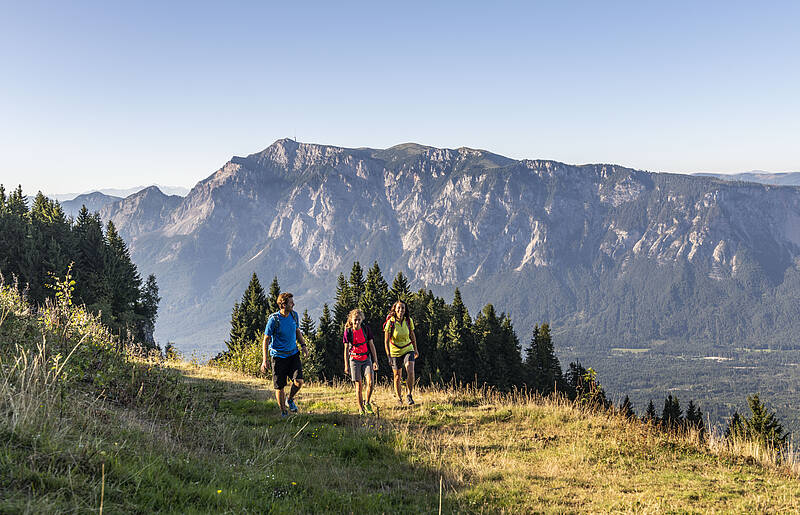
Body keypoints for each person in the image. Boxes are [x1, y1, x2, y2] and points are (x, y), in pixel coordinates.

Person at [260, 292, 308, 417]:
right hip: (278, 357)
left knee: (299, 381)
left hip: (293, 354)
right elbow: (266, 339)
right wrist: (265, 360)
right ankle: (283, 411)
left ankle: (290, 399)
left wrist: (303, 345)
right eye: (291, 302)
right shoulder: (274, 320)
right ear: (283, 304)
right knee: (280, 386)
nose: (293, 304)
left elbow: (297, 331)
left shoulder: (294, 315)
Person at [343, 309, 379, 415]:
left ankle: (367, 402)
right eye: (355, 320)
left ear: (362, 319)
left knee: (371, 382)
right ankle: (360, 408)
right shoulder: (348, 332)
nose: (357, 322)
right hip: (354, 360)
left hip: (366, 359)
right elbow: (345, 349)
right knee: (358, 386)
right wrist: (346, 365)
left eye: (359, 320)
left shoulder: (366, 329)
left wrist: (375, 361)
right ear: (351, 320)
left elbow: (371, 345)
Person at [383, 300, 419, 405]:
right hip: (395, 351)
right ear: (394, 309)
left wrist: (415, 349)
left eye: (402, 308)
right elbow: (386, 340)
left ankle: (409, 395)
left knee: (410, 371)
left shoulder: (408, 320)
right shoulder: (391, 322)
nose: (401, 310)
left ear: (405, 309)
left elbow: (412, 335)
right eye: (398, 308)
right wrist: (388, 355)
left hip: (408, 348)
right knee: (397, 376)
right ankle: (399, 398)